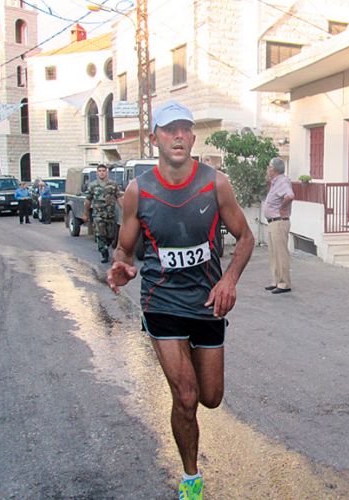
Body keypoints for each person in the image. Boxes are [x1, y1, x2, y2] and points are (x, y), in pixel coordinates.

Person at [107, 100, 254, 499]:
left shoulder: (215, 183)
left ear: (192, 137)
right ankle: (191, 480)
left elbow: (245, 236)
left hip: (207, 302)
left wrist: (229, 280)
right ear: (154, 137)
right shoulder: (138, 191)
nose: (177, 136)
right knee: (186, 397)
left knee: (210, 398)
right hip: (162, 302)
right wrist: (121, 264)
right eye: (169, 129)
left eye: (184, 129)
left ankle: (187, 373)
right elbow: (124, 248)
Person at [262, 157, 295, 294]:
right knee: (273, 253)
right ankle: (276, 281)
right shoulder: (275, 182)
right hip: (272, 222)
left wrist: (283, 207)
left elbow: (290, 196)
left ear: (274, 169)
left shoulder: (282, 181)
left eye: (269, 166)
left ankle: (284, 283)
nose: (268, 169)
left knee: (280, 253)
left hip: (279, 221)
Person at [83, 164, 123, 263]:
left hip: (110, 215)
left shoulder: (113, 184)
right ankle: (104, 253)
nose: (101, 173)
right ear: (97, 173)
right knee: (100, 235)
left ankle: (105, 246)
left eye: (103, 171)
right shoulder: (93, 185)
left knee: (111, 236)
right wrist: (85, 213)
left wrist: (125, 210)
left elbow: (119, 197)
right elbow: (88, 200)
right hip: (98, 216)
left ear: (106, 172)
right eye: (100, 171)